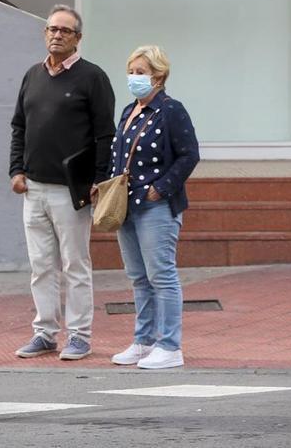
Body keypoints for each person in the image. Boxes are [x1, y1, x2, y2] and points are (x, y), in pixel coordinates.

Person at [10, 5, 116, 360]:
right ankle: (44, 333)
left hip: (72, 192)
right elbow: (19, 127)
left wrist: (99, 180)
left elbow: (105, 134)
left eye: (65, 31)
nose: (56, 35)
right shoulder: (31, 75)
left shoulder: (92, 78)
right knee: (41, 266)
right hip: (33, 189)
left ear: (78, 38)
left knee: (75, 265)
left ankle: (80, 336)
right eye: (52, 29)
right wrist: (16, 170)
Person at [108, 45, 199, 369]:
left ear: (158, 76)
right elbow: (118, 155)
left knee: (162, 275)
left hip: (155, 207)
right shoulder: (129, 110)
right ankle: (143, 341)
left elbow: (189, 155)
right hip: (127, 207)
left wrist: (160, 189)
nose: (134, 78)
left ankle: (170, 346)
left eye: (141, 72)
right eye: (131, 71)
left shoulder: (171, 110)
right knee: (138, 277)